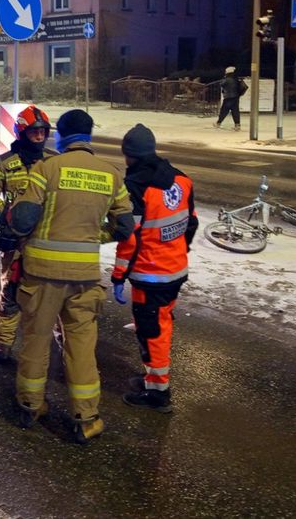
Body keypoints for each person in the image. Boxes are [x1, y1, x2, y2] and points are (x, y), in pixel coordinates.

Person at [7, 109, 135, 443]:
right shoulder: (111, 174)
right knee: (81, 346)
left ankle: (30, 406)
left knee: (36, 341)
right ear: (89, 135)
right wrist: (95, 235)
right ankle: (86, 418)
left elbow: (21, 220)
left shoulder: (45, 169)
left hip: (42, 275)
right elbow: (124, 227)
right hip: (84, 277)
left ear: (61, 136)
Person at [111, 124, 198, 414]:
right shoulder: (181, 179)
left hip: (150, 276)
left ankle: (158, 393)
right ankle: (152, 379)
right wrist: (177, 251)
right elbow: (192, 222)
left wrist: (119, 274)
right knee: (161, 324)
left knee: (151, 333)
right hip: (175, 270)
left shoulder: (135, 187)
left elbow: (130, 237)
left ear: (129, 156)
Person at [0, 105, 52, 365]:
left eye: (43, 131)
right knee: (10, 293)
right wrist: (5, 220)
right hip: (16, 243)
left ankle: (58, 339)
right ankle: (4, 343)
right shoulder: (5, 163)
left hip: (46, 240)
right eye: (34, 132)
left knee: (49, 295)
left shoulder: (53, 162)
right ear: (22, 132)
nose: (40, 136)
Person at [215, 66, 247, 131]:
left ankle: (218, 123)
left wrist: (223, 78)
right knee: (235, 111)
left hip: (228, 97)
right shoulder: (236, 78)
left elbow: (221, 84)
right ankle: (237, 125)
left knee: (224, 111)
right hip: (236, 97)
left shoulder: (227, 79)